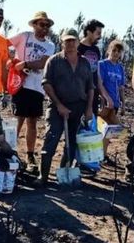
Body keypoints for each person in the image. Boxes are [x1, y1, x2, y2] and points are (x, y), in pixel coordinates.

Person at [39, 28, 95, 185]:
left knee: (72, 143)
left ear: (78, 42)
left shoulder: (84, 63)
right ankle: (42, 177)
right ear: (61, 42)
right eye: (67, 41)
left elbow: (90, 87)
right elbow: (47, 84)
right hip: (57, 107)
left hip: (78, 107)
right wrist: (59, 105)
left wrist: (89, 108)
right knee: (51, 139)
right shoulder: (54, 61)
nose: (70, 43)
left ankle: (64, 173)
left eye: (73, 40)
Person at [10, 11, 57, 173]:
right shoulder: (24, 36)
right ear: (34, 24)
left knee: (32, 122)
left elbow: (43, 63)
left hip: (37, 87)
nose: (45, 28)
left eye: (47, 25)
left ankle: (30, 154)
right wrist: (10, 62)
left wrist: (24, 64)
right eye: (42, 24)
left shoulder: (50, 45)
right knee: (18, 119)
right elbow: (5, 44)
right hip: (21, 85)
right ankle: (10, 150)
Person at [97, 40, 128, 162]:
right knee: (105, 128)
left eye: (118, 51)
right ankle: (100, 155)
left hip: (115, 103)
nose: (116, 53)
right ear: (109, 50)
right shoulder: (102, 64)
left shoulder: (120, 68)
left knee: (115, 129)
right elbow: (100, 84)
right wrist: (105, 98)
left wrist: (123, 103)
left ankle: (102, 154)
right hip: (104, 102)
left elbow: (121, 87)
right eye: (114, 50)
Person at [78, 19, 105, 114]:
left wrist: (102, 94)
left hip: (93, 94)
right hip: (79, 94)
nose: (100, 37)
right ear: (89, 32)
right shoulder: (77, 48)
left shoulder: (96, 50)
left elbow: (97, 73)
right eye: (98, 33)